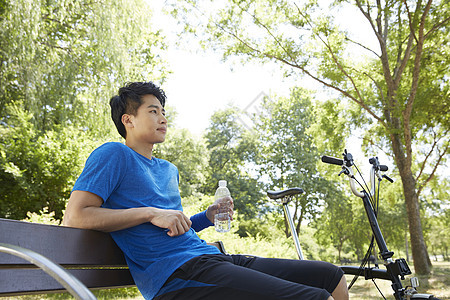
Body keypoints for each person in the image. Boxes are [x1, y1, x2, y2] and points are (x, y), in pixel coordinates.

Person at [63, 81, 349, 300]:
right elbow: (76, 217)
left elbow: (174, 228)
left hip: (208, 259)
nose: (163, 118)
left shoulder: (167, 169)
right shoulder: (114, 154)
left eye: (164, 112)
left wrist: (206, 217)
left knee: (331, 275)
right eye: (153, 111)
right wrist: (150, 213)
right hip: (176, 277)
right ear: (128, 120)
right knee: (316, 298)